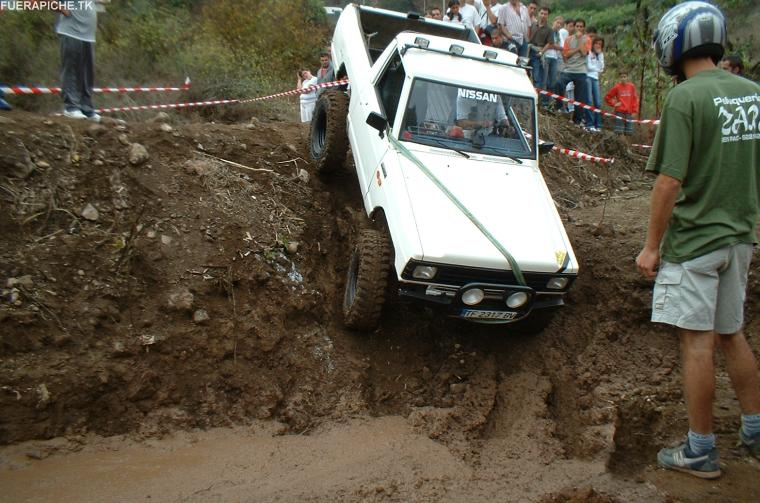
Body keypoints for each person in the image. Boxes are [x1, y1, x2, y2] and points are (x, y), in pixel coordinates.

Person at [636, 1, 760, 480]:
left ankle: (701, 449)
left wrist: (651, 246)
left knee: (697, 344)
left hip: (696, 243)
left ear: (673, 44)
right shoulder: (751, 93)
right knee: (733, 334)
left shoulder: (685, 98)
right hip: (739, 240)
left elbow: (669, 182)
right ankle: (754, 431)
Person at [55, 2, 99, 121]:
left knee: (87, 73)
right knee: (71, 70)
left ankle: (86, 107)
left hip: (88, 35)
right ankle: (71, 107)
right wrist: (62, 9)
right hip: (71, 31)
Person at [559, 18, 592, 127]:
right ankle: (558, 107)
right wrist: (577, 48)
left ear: (583, 28)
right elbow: (566, 54)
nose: (578, 28)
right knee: (558, 83)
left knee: (581, 97)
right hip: (569, 69)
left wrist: (579, 41)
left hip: (581, 70)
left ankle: (577, 120)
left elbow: (584, 53)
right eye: (577, 26)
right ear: (574, 27)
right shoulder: (568, 39)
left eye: (581, 26)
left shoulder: (587, 39)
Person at [604, 71, 638, 138]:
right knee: (618, 132)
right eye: (621, 77)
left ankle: (627, 147)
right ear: (619, 78)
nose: (623, 78)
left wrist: (635, 111)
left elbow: (635, 99)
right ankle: (619, 146)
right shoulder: (617, 87)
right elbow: (607, 97)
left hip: (629, 112)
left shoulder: (631, 87)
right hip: (619, 112)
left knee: (628, 133)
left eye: (624, 77)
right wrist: (614, 104)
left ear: (627, 77)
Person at [527, 6, 552, 91]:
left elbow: (550, 43)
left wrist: (542, 52)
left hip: (538, 52)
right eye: (541, 13)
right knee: (524, 73)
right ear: (538, 14)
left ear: (548, 16)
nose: (543, 15)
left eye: (545, 14)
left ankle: (537, 98)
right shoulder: (533, 24)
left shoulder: (549, 29)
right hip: (528, 51)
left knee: (537, 77)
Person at [541, 16, 563, 109]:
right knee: (544, 81)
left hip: (555, 58)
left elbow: (561, 47)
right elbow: (546, 44)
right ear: (553, 22)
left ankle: (549, 102)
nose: (558, 25)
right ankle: (543, 102)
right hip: (546, 56)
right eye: (557, 22)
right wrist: (552, 45)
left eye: (560, 24)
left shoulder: (559, 34)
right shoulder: (548, 31)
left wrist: (552, 45)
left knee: (552, 82)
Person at [586, 37, 605, 131]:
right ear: (593, 44)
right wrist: (596, 67)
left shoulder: (601, 54)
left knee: (597, 102)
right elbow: (588, 66)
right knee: (589, 100)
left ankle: (598, 125)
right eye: (596, 43)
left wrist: (599, 57)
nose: (598, 45)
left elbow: (602, 68)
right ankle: (589, 124)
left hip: (595, 78)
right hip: (588, 77)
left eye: (600, 44)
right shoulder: (589, 53)